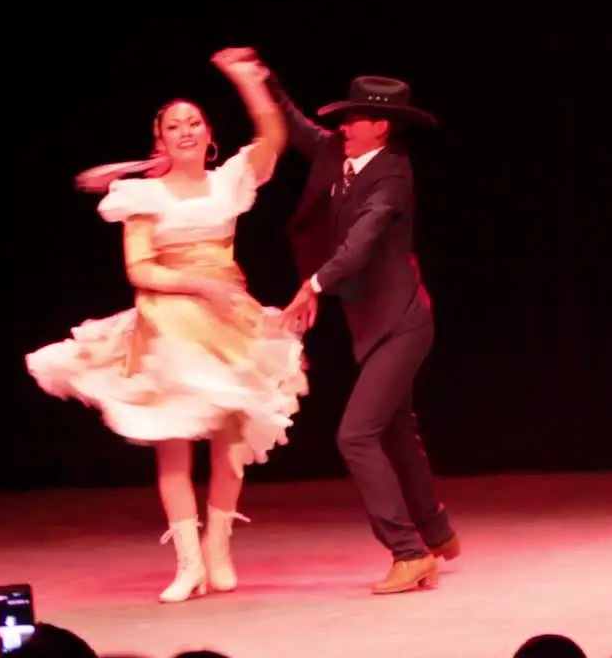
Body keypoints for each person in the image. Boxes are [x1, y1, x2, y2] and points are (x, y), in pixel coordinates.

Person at [25, 49, 308, 604]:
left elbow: (273, 135)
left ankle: (219, 551)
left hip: (228, 318)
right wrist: (200, 285)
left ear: (209, 135)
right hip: (172, 319)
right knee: (173, 442)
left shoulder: (228, 181)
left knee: (228, 443)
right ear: (160, 140)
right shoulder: (143, 195)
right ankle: (187, 564)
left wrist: (245, 80)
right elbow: (140, 267)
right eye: (173, 125)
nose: (185, 130)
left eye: (194, 122)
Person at [240, 47, 458, 595]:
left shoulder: (392, 178)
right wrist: (263, 77)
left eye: (353, 118)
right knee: (396, 431)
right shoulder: (337, 153)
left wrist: (313, 284)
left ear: (380, 127)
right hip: (379, 323)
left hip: (404, 322)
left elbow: (360, 245)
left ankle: (408, 552)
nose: (342, 125)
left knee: (356, 435)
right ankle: (436, 533)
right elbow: (294, 126)